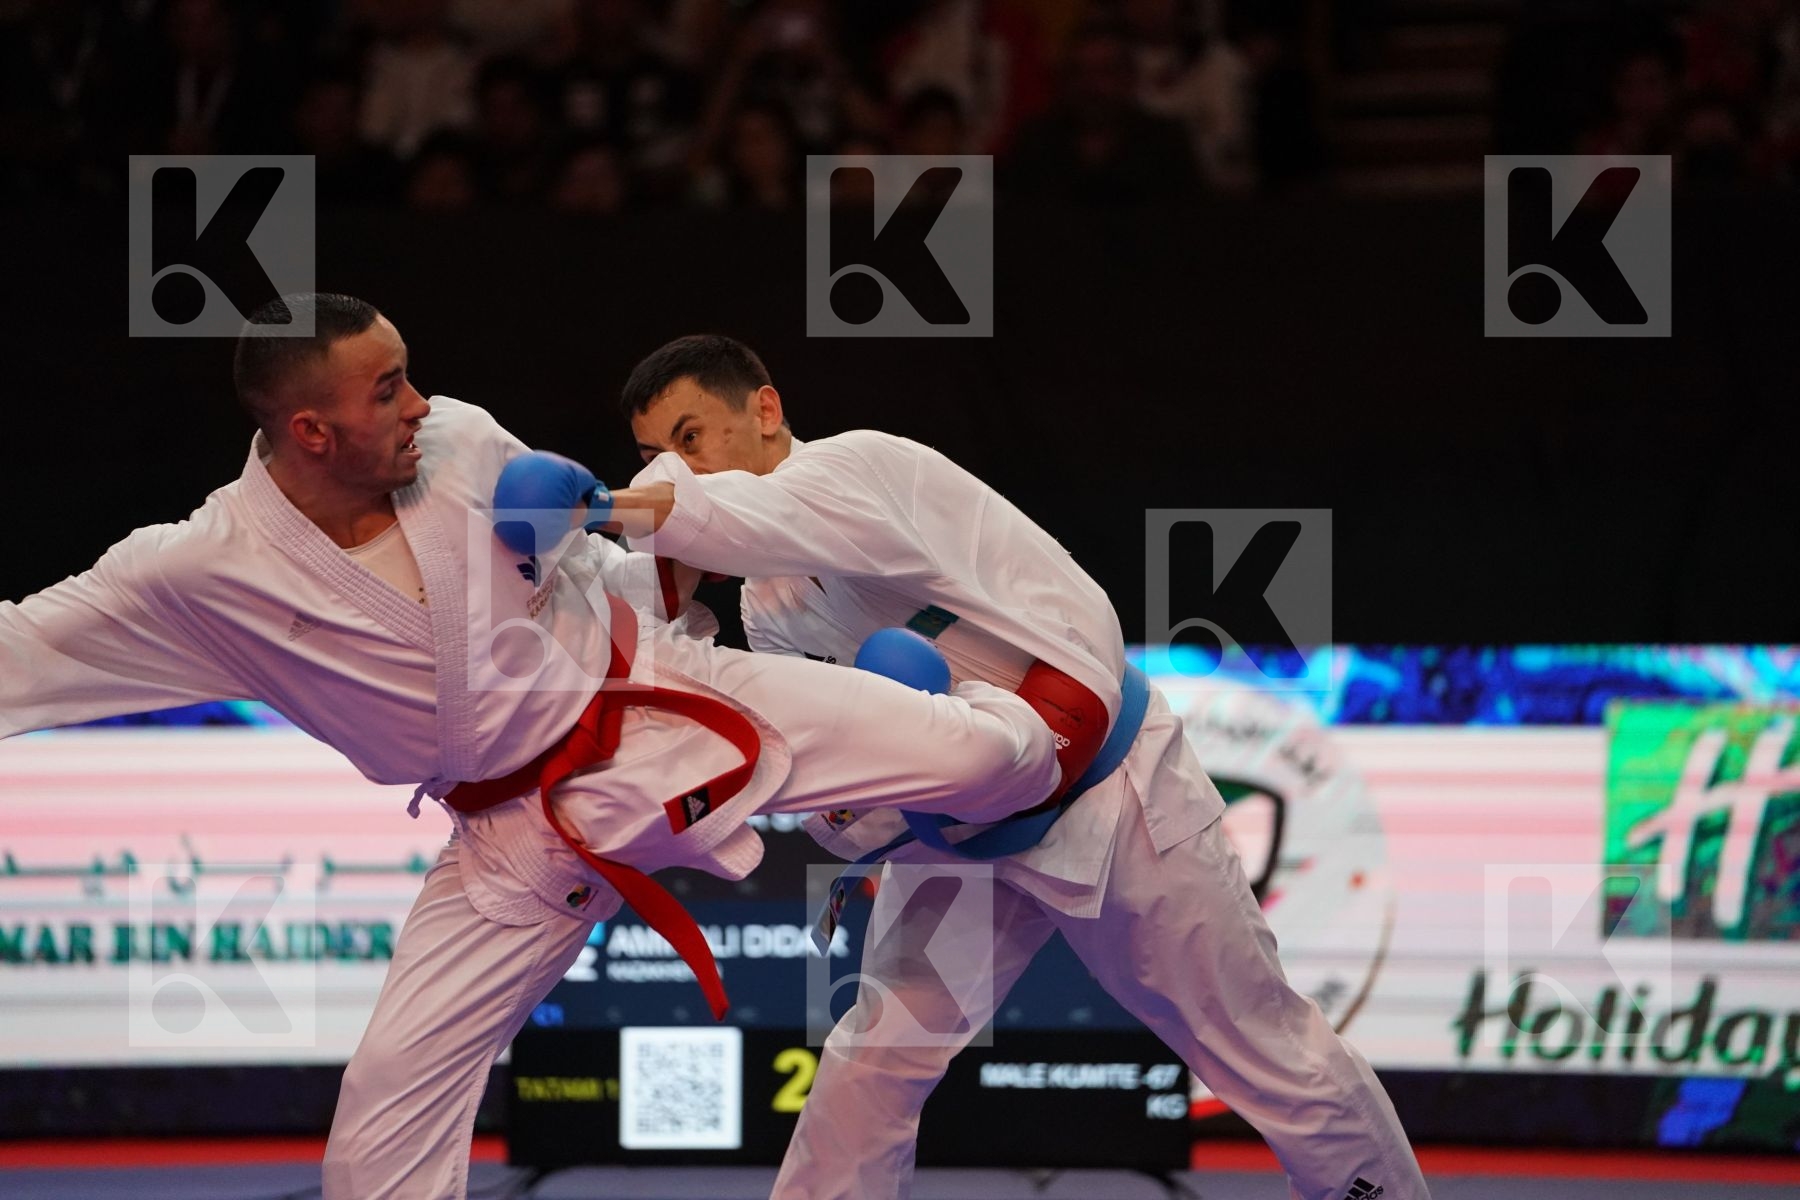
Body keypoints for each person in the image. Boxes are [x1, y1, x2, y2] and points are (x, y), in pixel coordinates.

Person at [0, 295, 1063, 1199]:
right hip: (520, 839)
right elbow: (24, 648)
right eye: (386, 391)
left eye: (409, 375)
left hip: (662, 702)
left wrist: (609, 544)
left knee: (976, 755)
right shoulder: (196, 576)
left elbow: (590, 558)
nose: (421, 403)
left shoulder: (457, 442)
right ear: (310, 431)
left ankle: (1023, 745)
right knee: (380, 1122)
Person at [606, 334, 1433, 1200]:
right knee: (873, 1059)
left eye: (691, 439)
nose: (677, 467)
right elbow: (829, 766)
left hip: (1111, 796)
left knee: (1257, 1044)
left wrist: (592, 511)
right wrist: (872, 823)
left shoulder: (861, 468)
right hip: (961, 837)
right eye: (656, 455)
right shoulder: (764, 599)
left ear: (766, 412)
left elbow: (719, 516)